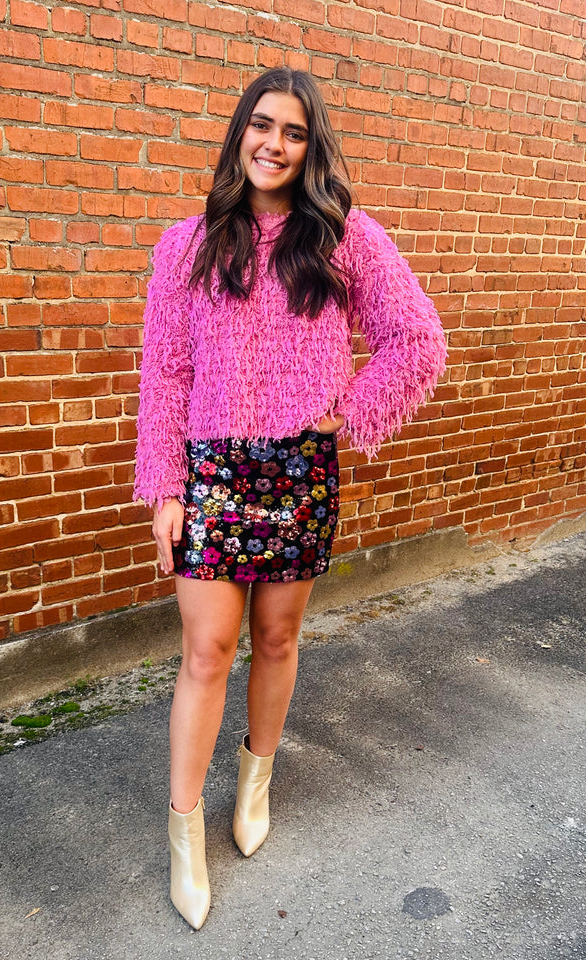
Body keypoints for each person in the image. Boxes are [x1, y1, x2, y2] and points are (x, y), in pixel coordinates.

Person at [133, 66, 447, 929]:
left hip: (298, 472)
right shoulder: (184, 247)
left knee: (277, 636)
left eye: (295, 131)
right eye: (262, 125)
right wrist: (163, 485)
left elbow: (416, 339)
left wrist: (348, 410)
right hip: (211, 473)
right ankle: (185, 834)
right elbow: (163, 374)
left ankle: (257, 780)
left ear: (312, 148)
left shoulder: (346, 239)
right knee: (208, 649)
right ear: (241, 133)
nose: (274, 143)